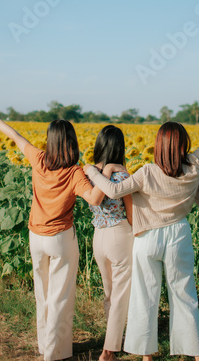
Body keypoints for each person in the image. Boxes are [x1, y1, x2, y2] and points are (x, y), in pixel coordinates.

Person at [83, 81, 199, 361]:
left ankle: (147, 355)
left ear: (158, 145)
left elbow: (115, 191)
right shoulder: (194, 165)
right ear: (183, 145)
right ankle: (196, 356)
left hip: (146, 239)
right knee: (183, 295)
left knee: (145, 297)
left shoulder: (146, 172)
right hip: (178, 235)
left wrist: (94, 172)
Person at [0, 98, 107, 361]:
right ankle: (55, 353)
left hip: (36, 237)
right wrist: (103, 172)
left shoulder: (39, 159)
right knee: (60, 296)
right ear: (72, 141)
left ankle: (44, 346)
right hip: (60, 239)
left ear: (50, 140)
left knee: (42, 293)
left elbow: (16, 137)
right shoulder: (74, 173)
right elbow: (94, 199)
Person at [87, 125, 134, 361]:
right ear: (119, 147)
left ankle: (111, 339)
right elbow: (131, 213)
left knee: (109, 292)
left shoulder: (88, 174)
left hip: (99, 236)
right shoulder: (123, 175)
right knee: (120, 295)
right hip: (119, 235)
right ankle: (109, 350)